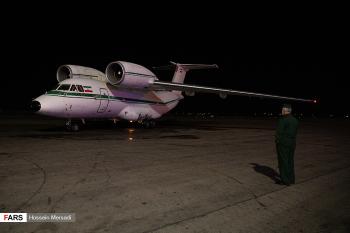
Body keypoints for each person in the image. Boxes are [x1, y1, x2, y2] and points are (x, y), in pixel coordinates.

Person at [275, 104, 299, 185]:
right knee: (290, 161)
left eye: (282, 110)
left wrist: (277, 141)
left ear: (286, 111)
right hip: (292, 143)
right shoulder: (295, 120)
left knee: (283, 161)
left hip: (283, 143)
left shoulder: (283, 120)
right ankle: (292, 179)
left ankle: (285, 180)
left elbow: (279, 133)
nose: (281, 111)